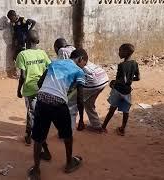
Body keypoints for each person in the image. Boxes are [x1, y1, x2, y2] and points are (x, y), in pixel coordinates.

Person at [28, 49, 88, 180]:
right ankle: (69, 163)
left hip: (42, 100)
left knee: (38, 137)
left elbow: (39, 83)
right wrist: (82, 119)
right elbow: (80, 98)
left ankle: (36, 170)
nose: (84, 66)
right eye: (85, 63)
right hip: (58, 104)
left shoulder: (54, 63)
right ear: (80, 59)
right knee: (67, 135)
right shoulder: (79, 71)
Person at [54, 38, 109, 132]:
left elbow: (63, 71)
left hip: (92, 80)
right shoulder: (73, 48)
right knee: (89, 103)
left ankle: (68, 132)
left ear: (56, 47)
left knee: (70, 105)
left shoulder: (62, 51)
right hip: (102, 77)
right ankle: (97, 126)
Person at [16, 30, 51, 147]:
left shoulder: (22, 55)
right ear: (38, 41)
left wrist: (18, 90)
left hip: (30, 88)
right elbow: (49, 68)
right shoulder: (43, 53)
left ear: (26, 41)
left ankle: (30, 136)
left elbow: (23, 76)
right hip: (42, 87)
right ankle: (33, 134)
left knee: (31, 112)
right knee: (38, 111)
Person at [102, 43, 140, 136]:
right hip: (127, 91)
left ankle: (103, 127)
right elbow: (138, 78)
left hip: (118, 90)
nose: (119, 53)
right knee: (126, 111)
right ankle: (122, 129)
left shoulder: (122, 65)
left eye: (120, 51)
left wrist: (113, 83)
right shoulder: (135, 63)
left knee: (112, 109)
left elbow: (120, 80)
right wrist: (130, 80)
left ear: (126, 52)